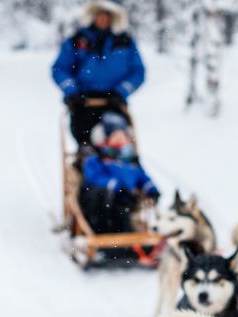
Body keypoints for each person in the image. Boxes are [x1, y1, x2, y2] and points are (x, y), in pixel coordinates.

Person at [51, 1, 146, 147]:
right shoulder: (77, 41)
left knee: (118, 135)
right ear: (93, 15)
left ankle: (116, 154)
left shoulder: (125, 42)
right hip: (83, 101)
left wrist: (121, 91)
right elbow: (60, 69)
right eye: (100, 14)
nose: (103, 19)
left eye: (107, 15)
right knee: (85, 136)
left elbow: (138, 72)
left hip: (114, 100)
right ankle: (89, 154)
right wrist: (72, 91)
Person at [78, 112, 159, 234]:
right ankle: (106, 234)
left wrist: (151, 189)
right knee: (106, 199)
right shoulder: (96, 160)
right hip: (104, 202)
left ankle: (133, 234)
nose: (120, 139)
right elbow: (94, 178)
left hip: (129, 201)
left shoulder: (130, 162)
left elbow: (142, 178)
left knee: (132, 210)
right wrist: (116, 186)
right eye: (115, 136)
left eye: (123, 135)